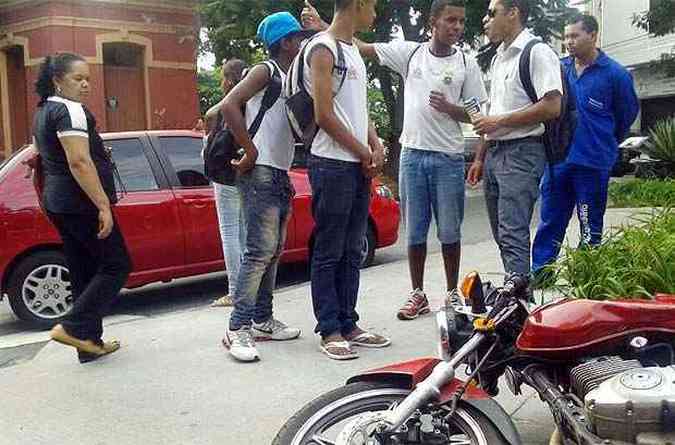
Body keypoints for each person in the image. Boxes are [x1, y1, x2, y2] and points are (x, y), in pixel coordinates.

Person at [302, 1, 488, 320]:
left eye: (460, 21)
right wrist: (323, 25)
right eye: (450, 20)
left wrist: (451, 109)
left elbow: (477, 115)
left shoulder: (466, 64)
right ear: (433, 22)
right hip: (413, 155)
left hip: (448, 157)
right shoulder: (410, 53)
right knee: (414, 231)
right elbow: (361, 47)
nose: (456, 27)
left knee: (449, 232)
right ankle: (417, 294)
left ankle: (450, 293)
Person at [301, 0, 390, 360]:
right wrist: (362, 151)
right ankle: (330, 328)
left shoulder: (353, 51)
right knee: (329, 249)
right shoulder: (323, 49)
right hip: (331, 164)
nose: (376, 13)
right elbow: (324, 115)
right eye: (372, 5)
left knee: (353, 247)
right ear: (356, 4)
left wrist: (374, 143)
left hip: (355, 163)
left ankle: (349, 322)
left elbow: (358, 111)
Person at [219, 12, 308, 362]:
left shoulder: (290, 78)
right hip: (259, 171)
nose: (302, 44)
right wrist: (251, 149)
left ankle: (262, 318)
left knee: (272, 251)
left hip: (278, 171)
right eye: (298, 38)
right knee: (258, 251)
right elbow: (227, 104)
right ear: (285, 42)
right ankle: (237, 328)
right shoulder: (266, 70)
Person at [32, 53, 132, 363]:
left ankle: (88, 345)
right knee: (117, 265)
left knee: (83, 270)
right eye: (78, 78)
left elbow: (48, 156)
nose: (86, 84)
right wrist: (103, 205)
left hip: (59, 201)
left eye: (88, 78)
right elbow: (77, 161)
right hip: (81, 203)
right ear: (57, 80)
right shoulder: (70, 109)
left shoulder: (44, 111)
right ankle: (73, 326)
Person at [531, 14, 639, 280]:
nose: (568, 42)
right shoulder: (559, 68)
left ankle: (585, 279)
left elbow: (626, 115)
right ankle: (541, 276)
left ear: (593, 35)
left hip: (592, 163)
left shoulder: (615, 74)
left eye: (574, 36)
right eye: (566, 36)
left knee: (590, 224)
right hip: (558, 162)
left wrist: (603, 142)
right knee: (550, 221)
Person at [467, 0, 563, 279]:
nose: (485, 19)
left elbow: (552, 106)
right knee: (502, 234)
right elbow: (492, 113)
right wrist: (480, 157)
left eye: (492, 13)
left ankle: (519, 309)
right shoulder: (499, 58)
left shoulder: (537, 52)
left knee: (512, 233)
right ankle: (517, 296)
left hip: (522, 152)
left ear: (513, 13)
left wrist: (497, 121)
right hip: (496, 154)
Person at [203, 59, 248, 307]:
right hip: (244, 172)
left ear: (230, 80)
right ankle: (245, 287)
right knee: (242, 232)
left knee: (229, 232)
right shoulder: (250, 100)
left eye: (223, 77)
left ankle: (234, 290)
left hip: (224, 175)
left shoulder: (228, 104)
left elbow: (209, 114)